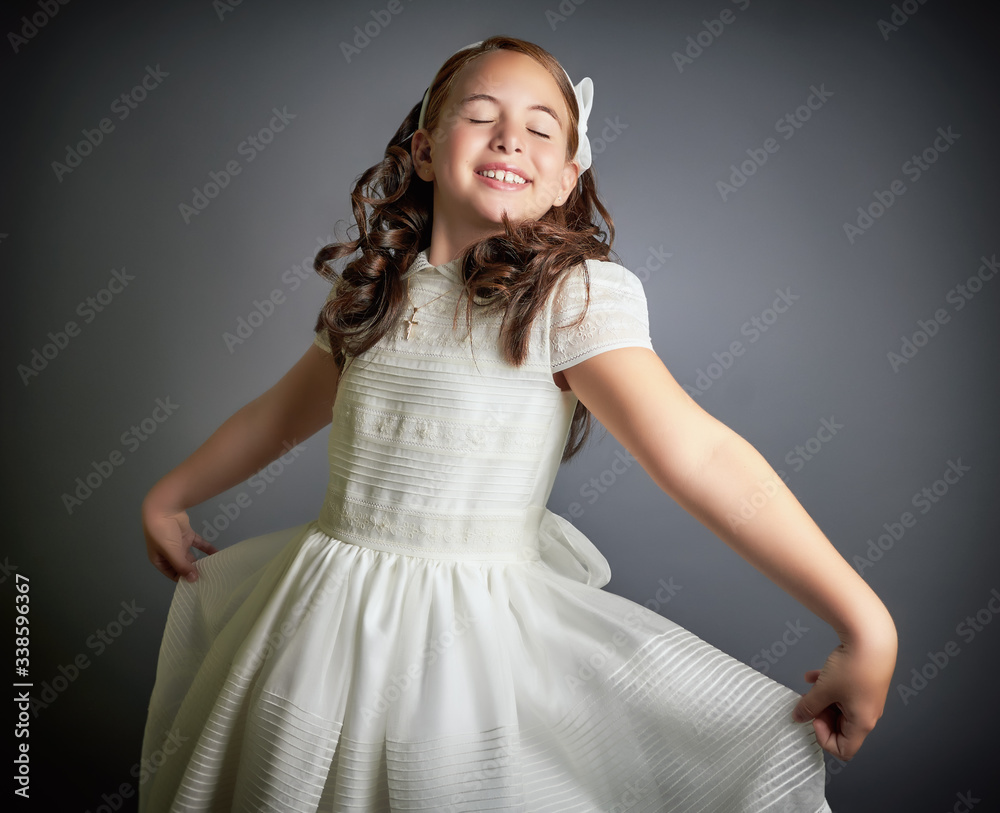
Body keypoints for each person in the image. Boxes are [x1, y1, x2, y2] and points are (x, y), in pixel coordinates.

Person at [139, 35, 896, 812]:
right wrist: (169, 494)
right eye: (482, 115)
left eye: (541, 129)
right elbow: (277, 417)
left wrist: (863, 622)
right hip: (319, 627)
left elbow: (698, 455)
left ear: (568, 178)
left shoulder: (570, 299)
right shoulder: (375, 295)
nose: (510, 136)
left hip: (467, 652)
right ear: (426, 153)